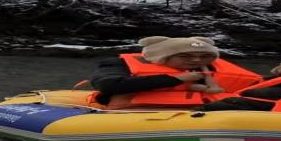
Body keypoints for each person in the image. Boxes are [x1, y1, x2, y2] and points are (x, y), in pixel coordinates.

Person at [84, 36, 263, 109]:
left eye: (204, 56)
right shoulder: (120, 64)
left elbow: (258, 87)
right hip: (135, 113)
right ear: (162, 57)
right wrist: (175, 79)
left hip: (198, 115)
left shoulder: (213, 69)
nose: (197, 61)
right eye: (185, 56)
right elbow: (108, 85)